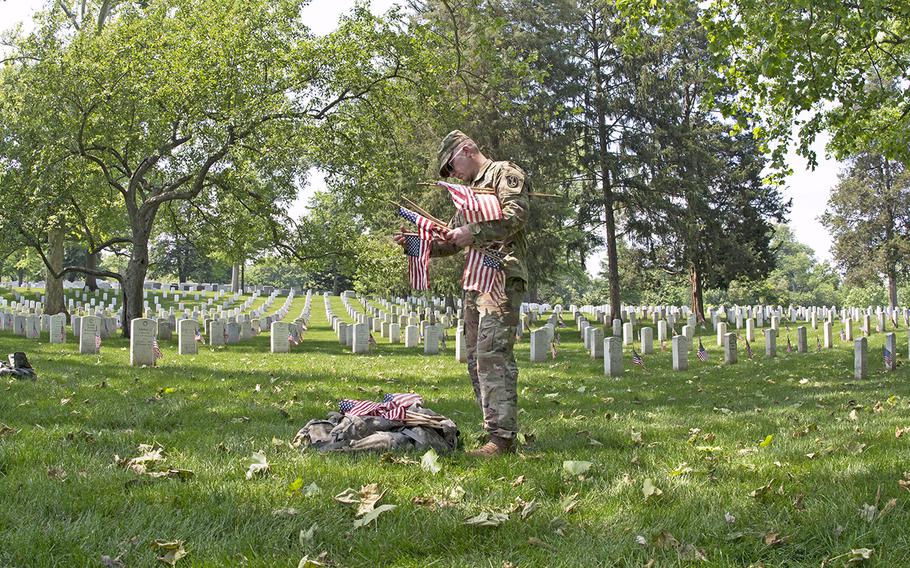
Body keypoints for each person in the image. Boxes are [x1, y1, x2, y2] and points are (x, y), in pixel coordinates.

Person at [396, 130, 529, 456]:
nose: (451, 173)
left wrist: (474, 230)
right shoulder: (467, 195)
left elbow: (517, 215)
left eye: (451, 165)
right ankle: (496, 429)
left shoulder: (504, 173)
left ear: (467, 149)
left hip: (500, 275)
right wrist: (417, 244)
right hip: (475, 281)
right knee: (475, 360)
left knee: (492, 356)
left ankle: (502, 440)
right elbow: (453, 240)